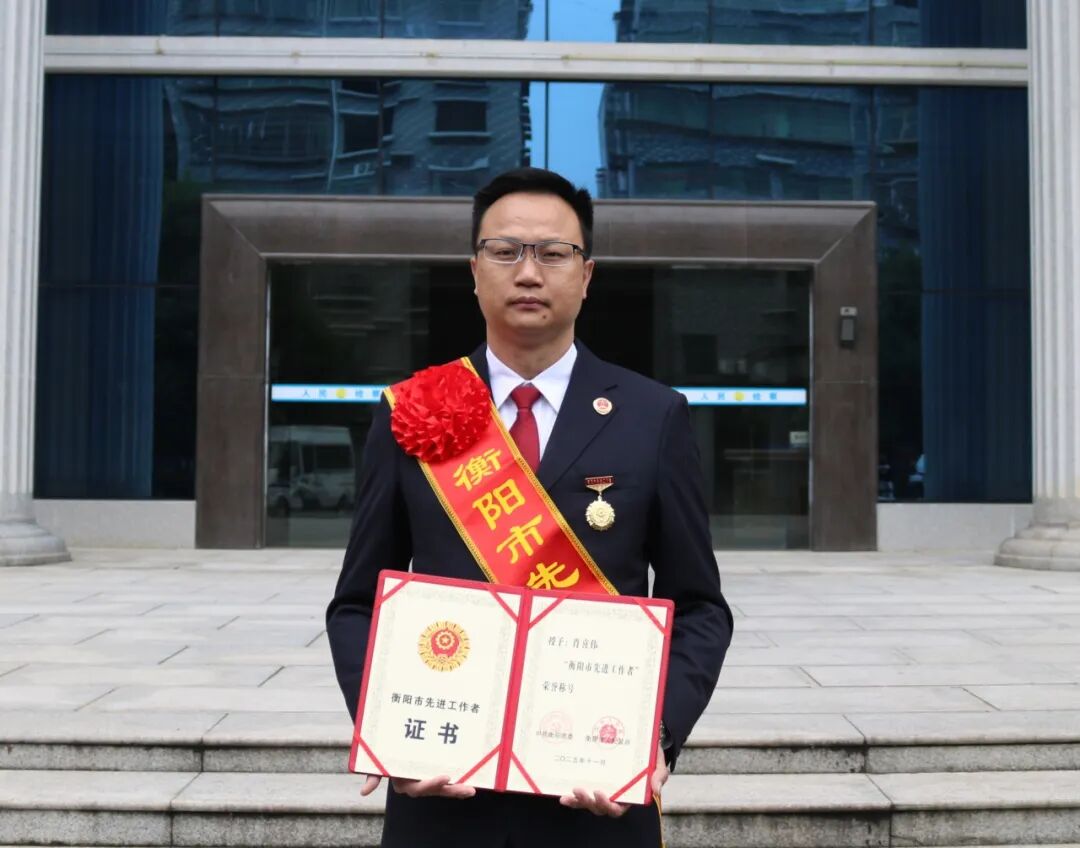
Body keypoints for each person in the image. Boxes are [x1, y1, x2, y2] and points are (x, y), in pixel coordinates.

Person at [327, 167, 733, 848]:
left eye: (552, 253)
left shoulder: (654, 415)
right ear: (474, 270)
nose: (528, 272)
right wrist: (389, 729)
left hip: (596, 794)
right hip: (444, 794)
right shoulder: (413, 411)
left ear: (586, 275)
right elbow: (355, 603)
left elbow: (700, 607)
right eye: (505, 250)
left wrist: (653, 734)